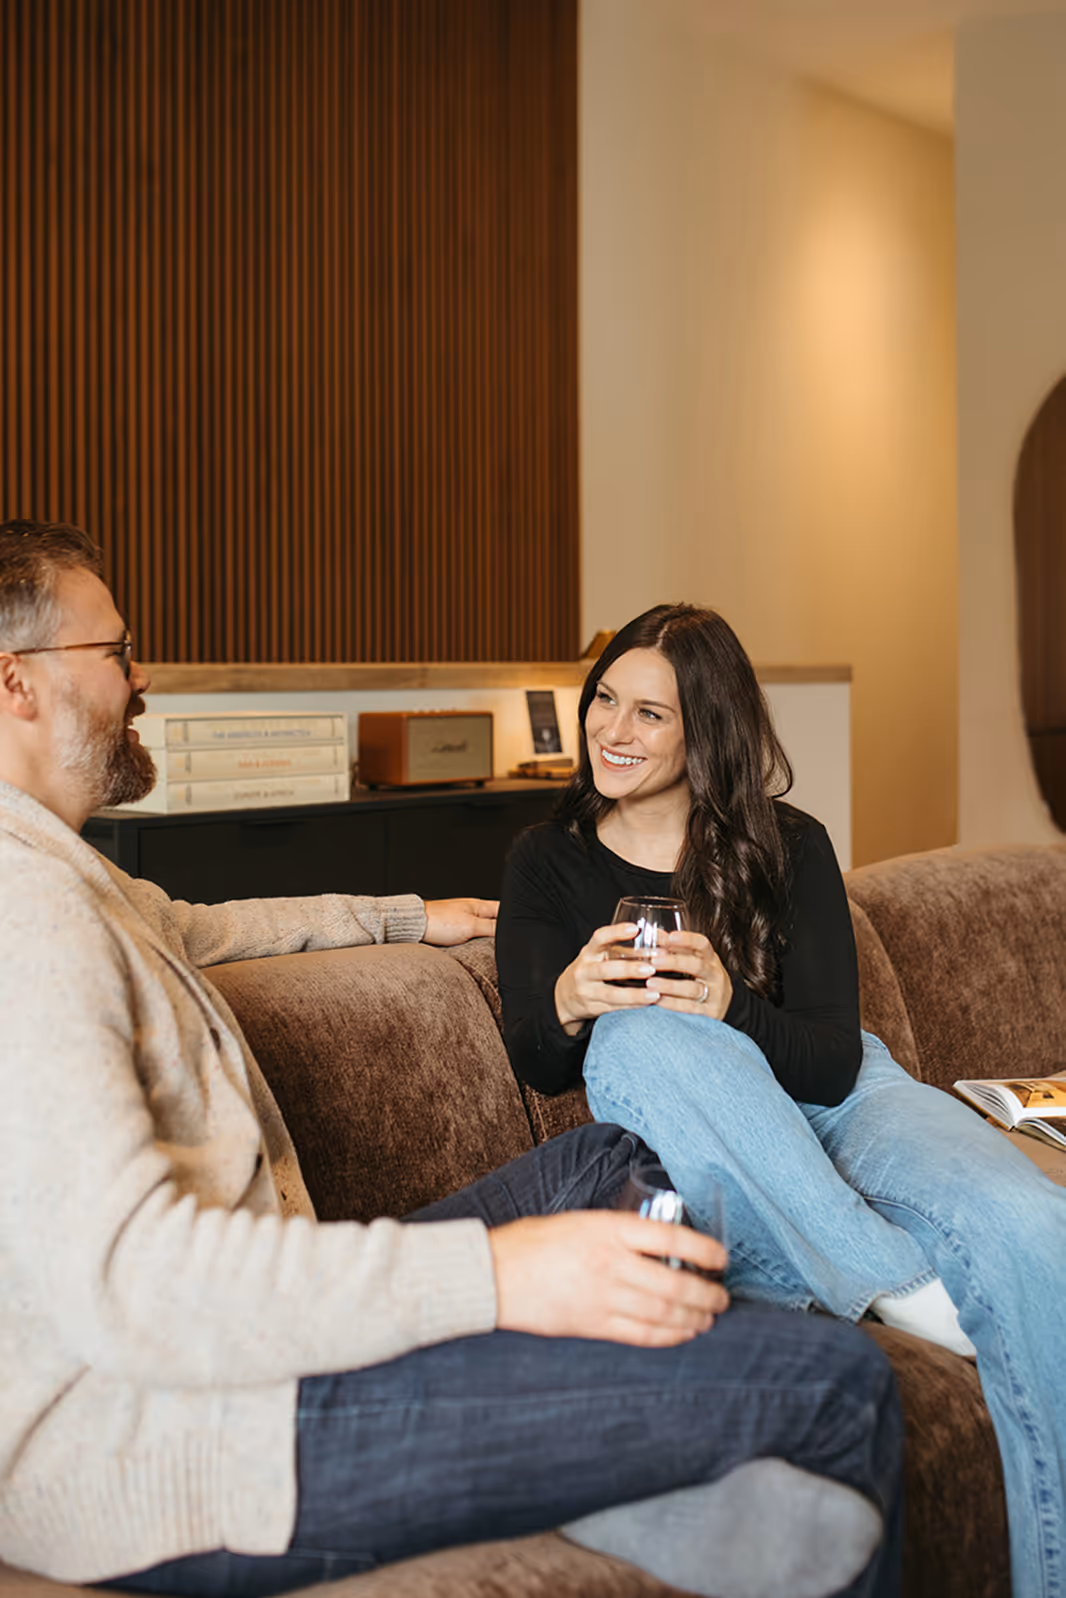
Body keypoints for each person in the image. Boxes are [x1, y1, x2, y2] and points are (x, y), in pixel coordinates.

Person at [0, 523, 904, 1598]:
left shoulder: (72, 877)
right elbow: (138, 1282)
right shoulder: (28, 915)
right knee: (841, 1383)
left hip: (257, 1355)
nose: (139, 676)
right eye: (116, 651)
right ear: (18, 682)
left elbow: (206, 924)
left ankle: (625, 1451)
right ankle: (666, 1423)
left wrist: (402, 914)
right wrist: (505, 1276)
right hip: (186, 1439)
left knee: (601, 1157)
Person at [496, 600, 1066, 1598]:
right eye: (603, 701)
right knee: (640, 1031)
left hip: (837, 1093)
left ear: (704, 731)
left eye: (648, 714)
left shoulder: (787, 842)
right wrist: (567, 997)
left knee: (1037, 1222)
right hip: (695, 1105)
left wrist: (732, 1001)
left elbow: (832, 1064)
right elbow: (545, 1062)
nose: (610, 731)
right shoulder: (546, 858)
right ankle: (889, 1280)